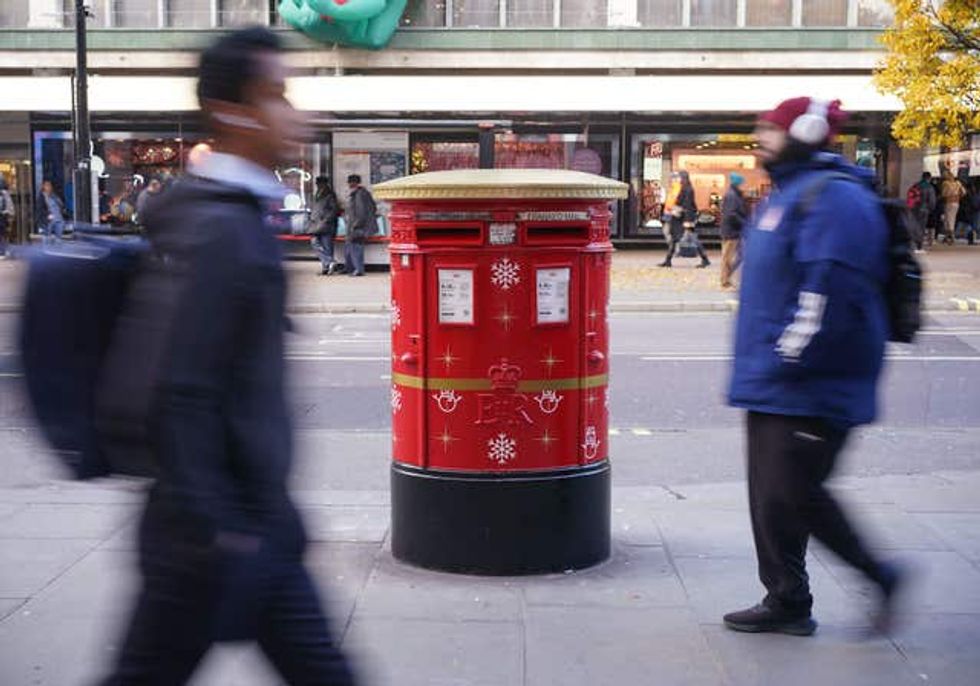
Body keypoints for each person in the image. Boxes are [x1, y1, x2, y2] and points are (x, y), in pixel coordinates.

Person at [97, 27, 357, 685]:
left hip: (243, 521)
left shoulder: (232, 217)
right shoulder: (221, 230)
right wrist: (223, 530)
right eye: (278, 94)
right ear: (235, 112)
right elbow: (177, 387)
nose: (297, 113)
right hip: (214, 536)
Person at [725, 96, 906, 637]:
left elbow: (828, 291)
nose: (761, 136)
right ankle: (786, 599)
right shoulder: (791, 192)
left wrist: (789, 354)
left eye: (770, 129)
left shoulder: (835, 199)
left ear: (803, 132)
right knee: (770, 497)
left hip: (810, 381)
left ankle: (882, 576)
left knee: (794, 492)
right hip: (772, 379)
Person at [659, 170, 709, 268]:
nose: (678, 179)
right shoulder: (686, 188)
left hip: (683, 218)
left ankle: (704, 258)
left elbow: (688, 206)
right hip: (681, 217)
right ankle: (668, 259)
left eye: (680, 177)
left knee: (691, 238)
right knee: (676, 238)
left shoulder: (687, 189)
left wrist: (687, 220)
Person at [344, 173, 377, 277]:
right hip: (356, 225)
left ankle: (358, 269)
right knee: (350, 247)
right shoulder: (362, 193)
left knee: (356, 247)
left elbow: (360, 212)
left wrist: (355, 225)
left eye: (349, 182)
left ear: (353, 183)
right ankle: (350, 268)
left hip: (357, 227)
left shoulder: (359, 194)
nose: (348, 184)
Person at [719, 172, 748, 289]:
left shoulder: (734, 194)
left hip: (733, 230)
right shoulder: (732, 195)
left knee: (734, 255)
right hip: (732, 231)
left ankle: (727, 277)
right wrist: (744, 223)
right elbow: (731, 214)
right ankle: (725, 280)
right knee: (728, 256)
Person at [308, 175, 340, 275]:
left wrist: (325, 220)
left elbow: (334, 209)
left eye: (319, 183)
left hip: (326, 225)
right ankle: (330, 262)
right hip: (317, 224)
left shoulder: (330, 194)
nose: (317, 185)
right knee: (314, 242)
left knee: (327, 246)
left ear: (324, 184)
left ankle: (326, 268)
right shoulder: (317, 194)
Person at [906, 172, 937, 252]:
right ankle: (919, 246)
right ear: (929, 178)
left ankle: (911, 244)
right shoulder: (929, 187)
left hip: (913, 209)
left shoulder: (915, 185)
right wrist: (931, 209)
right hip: (924, 210)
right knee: (921, 228)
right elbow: (932, 201)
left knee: (913, 226)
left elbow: (910, 196)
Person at [940, 169, 966, 245]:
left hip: (949, 202)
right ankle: (947, 236)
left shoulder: (946, 183)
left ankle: (951, 237)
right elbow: (964, 192)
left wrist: (948, 194)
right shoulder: (958, 183)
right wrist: (958, 196)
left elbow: (944, 193)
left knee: (948, 219)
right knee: (952, 218)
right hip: (956, 202)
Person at [0, 177, 13, 258]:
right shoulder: (5, 194)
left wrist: (9, 214)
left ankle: (3, 251)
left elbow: (9, 206)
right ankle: (3, 251)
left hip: (2, 216)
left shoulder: (5, 194)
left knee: (3, 234)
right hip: (3, 216)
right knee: (3, 234)